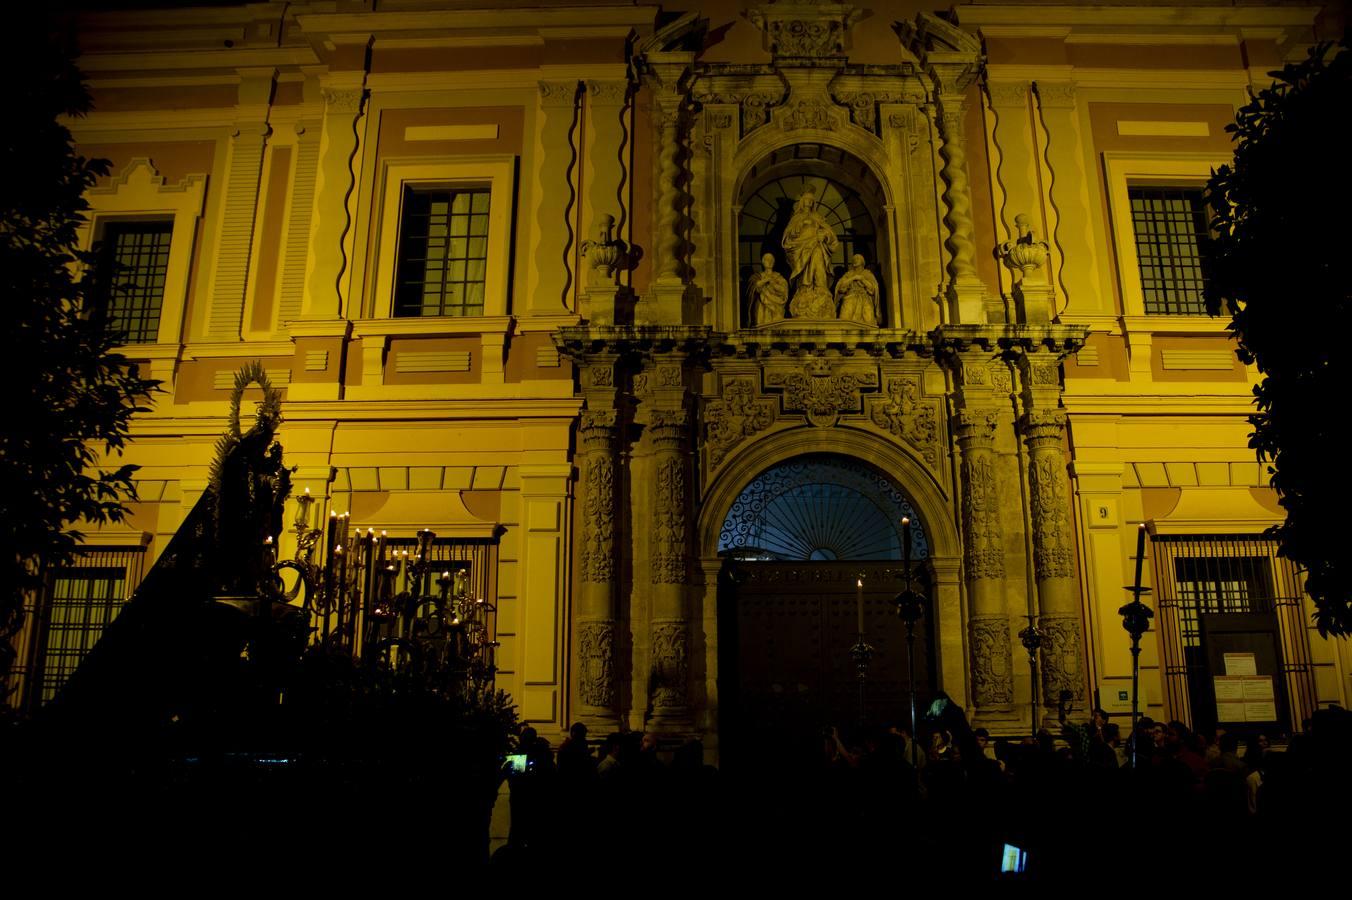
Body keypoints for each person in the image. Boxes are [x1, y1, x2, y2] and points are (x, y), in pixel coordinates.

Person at [781, 188, 839, 319]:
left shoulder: (818, 217)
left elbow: (831, 235)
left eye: (811, 200)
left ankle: (820, 289)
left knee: (819, 262)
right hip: (801, 249)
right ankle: (805, 290)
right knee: (804, 272)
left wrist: (824, 235)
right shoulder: (796, 218)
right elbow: (787, 238)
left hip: (816, 246)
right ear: (802, 201)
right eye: (806, 199)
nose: (809, 202)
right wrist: (799, 226)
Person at [833, 254, 880, 325]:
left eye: (858, 258)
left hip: (864, 298)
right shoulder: (848, 274)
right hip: (850, 298)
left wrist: (862, 279)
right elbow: (841, 287)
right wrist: (853, 278)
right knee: (844, 320)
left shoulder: (867, 274)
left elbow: (873, 289)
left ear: (862, 262)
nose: (855, 259)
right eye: (854, 258)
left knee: (869, 320)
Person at [747, 253, 789, 327]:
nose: (769, 262)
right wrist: (766, 280)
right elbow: (755, 287)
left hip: (776, 307)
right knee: (763, 325)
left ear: (774, 262)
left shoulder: (778, 277)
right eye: (767, 259)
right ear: (763, 262)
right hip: (763, 306)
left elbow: (783, 290)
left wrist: (773, 284)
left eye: (771, 260)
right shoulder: (758, 277)